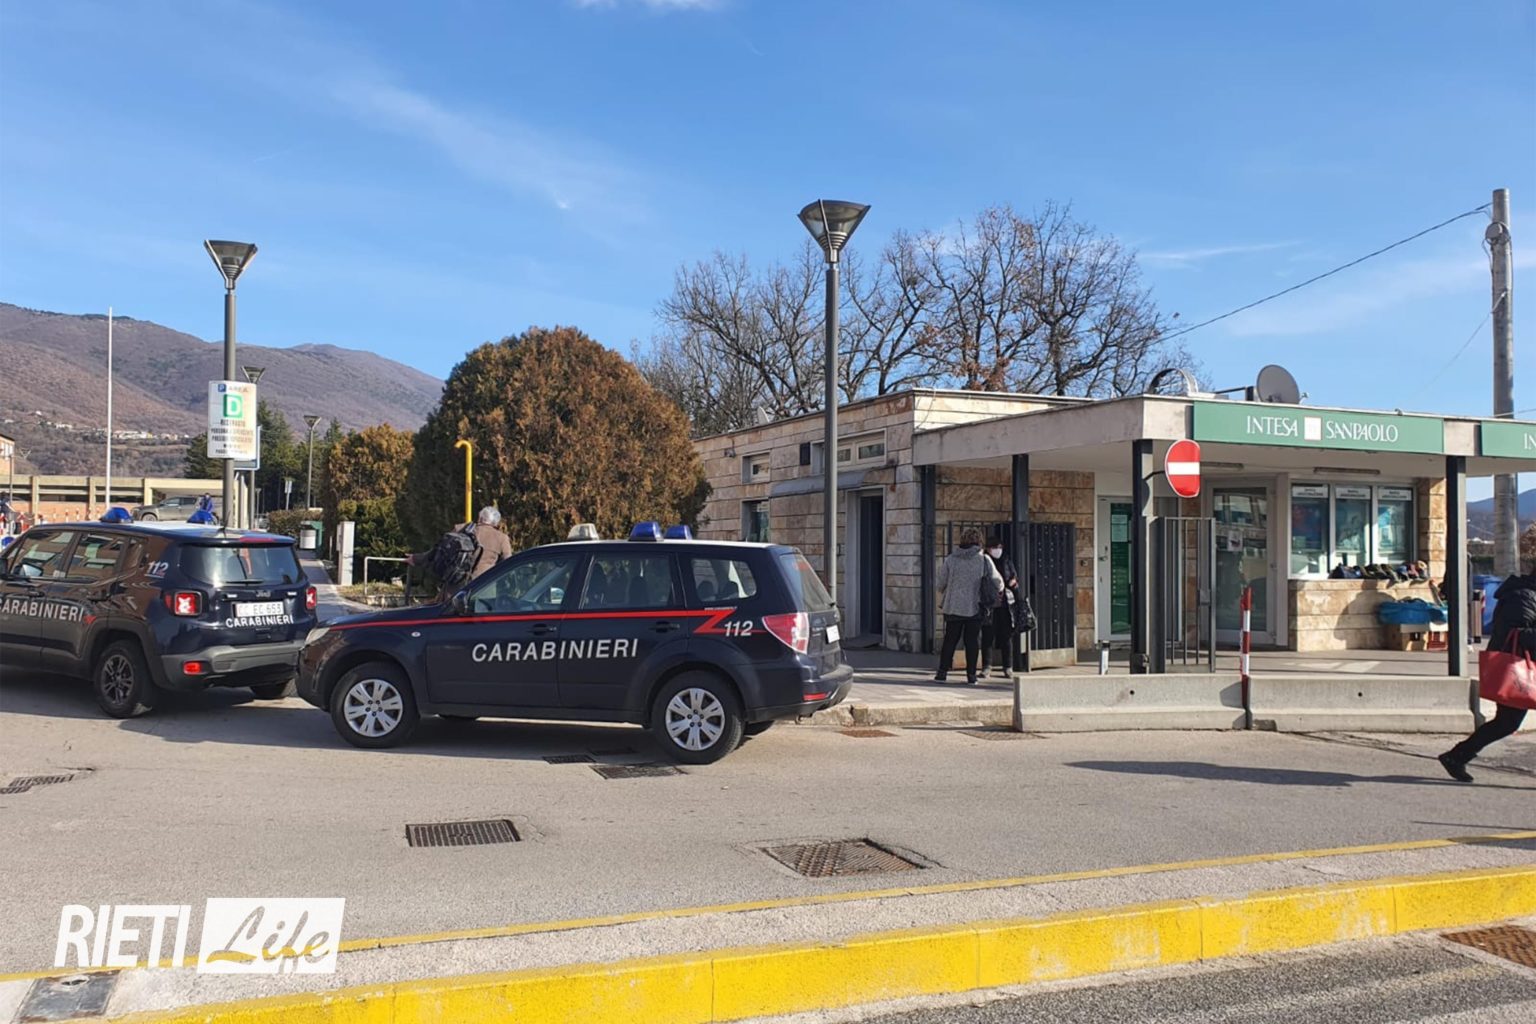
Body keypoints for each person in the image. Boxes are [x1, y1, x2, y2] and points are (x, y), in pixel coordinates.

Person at [1439, 572, 1535, 783]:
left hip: (1525, 668)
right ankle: (1457, 756)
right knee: (1507, 722)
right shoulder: (1522, 595)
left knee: (1506, 723)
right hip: (1517, 670)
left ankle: (1457, 756)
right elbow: (1516, 634)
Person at [934, 528, 1003, 686]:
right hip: (975, 606)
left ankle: (942, 672)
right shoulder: (983, 559)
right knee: (972, 641)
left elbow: (940, 583)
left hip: (953, 606)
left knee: (950, 640)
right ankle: (971, 676)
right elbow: (997, 581)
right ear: (979, 541)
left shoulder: (951, 559)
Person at [410, 506, 514, 600]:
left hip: (455, 587)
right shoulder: (502, 539)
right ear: (496, 523)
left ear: (480, 518)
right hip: (484, 589)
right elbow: (508, 564)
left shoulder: (461, 529)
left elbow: (438, 551)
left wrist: (415, 558)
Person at [979, 536, 1021, 679]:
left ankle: (1008, 666)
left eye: (1000, 547)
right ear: (988, 548)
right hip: (989, 603)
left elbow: (1014, 577)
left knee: (1006, 636)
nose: (998, 550)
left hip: (1005, 604)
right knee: (987, 636)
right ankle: (987, 666)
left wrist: (1014, 582)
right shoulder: (984, 561)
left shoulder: (1006, 560)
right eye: (994, 547)